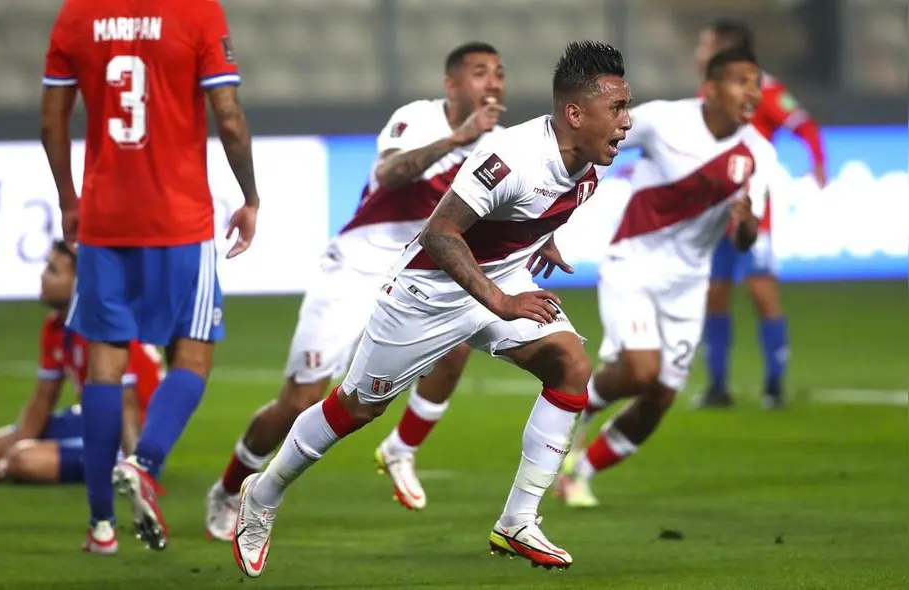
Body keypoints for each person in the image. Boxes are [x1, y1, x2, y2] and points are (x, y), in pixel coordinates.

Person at [231, 40, 632, 578]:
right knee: (357, 408)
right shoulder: (510, 157)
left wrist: (541, 243)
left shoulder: (593, 158)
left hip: (501, 279)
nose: (626, 122)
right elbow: (440, 233)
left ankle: (518, 520)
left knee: (571, 366)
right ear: (574, 113)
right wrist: (502, 301)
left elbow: (533, 213)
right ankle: (263, 492)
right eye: (618, 109)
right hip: (428, 292)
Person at [204, 42, 506, 539]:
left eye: (498, 74)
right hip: (358, 266)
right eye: (479, 73)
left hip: (417, 274)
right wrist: (458, 138)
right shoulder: (420, 119)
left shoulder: (503, 146)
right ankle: (229, 487)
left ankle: (401, 450)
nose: (492, 83)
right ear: (452, 85)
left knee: (459, 341)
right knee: (300, 400)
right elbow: (389, 173)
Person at [41, 0, 260, 553]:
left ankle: (100, 527)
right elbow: (229, 118)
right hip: (179, 219)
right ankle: (144, 463)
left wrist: (69, 198)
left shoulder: (76, 15)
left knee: (104, 363)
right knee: (193, 354)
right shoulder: (198, 12)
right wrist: (251, 196)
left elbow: (51, 120)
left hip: (105, 216)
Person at [555, 47, 776, 509]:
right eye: (740, 81)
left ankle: (580, 471)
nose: (752, 91)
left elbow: (744, 242)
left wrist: (748, 223)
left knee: (659, 397)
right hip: (633, 264)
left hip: (689, 283)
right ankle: (582, 403)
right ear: (711, 89)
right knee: (640, 371)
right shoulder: (662, 121)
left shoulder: (758, 153)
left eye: (755, 82)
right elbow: (593, 143)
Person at [693, 19, 827, 409]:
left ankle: (774, 386)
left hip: (754, 211)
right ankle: (718, 387)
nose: (699, 52)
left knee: (761, 292)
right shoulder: (710, 91)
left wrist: (818, 163)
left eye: (706, 45)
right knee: (715, 295)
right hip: (714, 211)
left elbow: (803, 125)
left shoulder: (766, 89)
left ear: (726, 48)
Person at [0, 241, 164, 488]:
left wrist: (138, 466)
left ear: (79, 282)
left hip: (129, 432)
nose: (42, 277)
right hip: (91, 417)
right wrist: (9, 456)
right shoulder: (55, 327)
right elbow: (44, 397)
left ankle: (124, 467)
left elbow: (127, 403)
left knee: (24, 461)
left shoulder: (102, 326)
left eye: (53, 270)